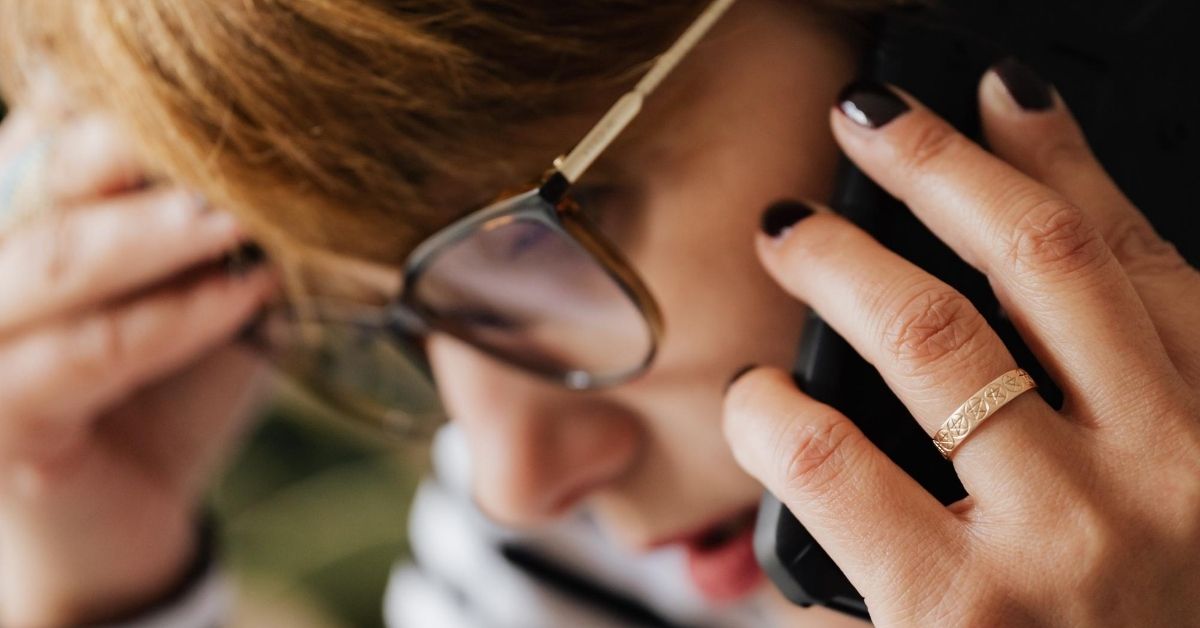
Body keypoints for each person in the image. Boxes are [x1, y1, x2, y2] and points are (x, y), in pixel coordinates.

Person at [0, 0, 1197, 626]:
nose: (513, 476)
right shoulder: (562, 568)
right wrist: (101, 593)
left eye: (533, 242)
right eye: (400, 329)